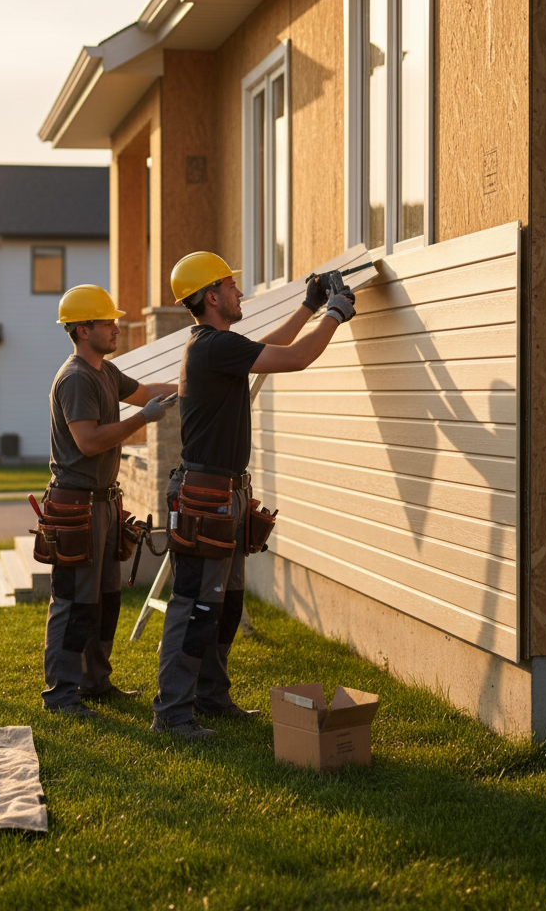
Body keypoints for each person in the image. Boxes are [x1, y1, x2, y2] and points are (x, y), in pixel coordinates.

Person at [151, 252, 355, 739]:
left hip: (223, 494)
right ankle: (173, 713)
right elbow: (297, 358)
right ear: (212, 296)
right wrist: (336, 311)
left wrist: (308, 307)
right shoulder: (210, 347)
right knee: (195, 605)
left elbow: (266, 347)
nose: (241, 293)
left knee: (224, 602)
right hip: (206, 498)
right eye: (232, 286)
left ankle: (211, 696)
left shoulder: (216, 347)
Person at [42, 283, 178, 718]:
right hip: (75, 504)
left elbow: (143, 391)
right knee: (74, 602)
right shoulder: (77, 378)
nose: (117, 328)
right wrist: (143, 419)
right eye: (108, 322)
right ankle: (62, 695)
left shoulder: (104, 371)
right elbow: (87, 441)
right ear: (83, 330)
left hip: (101, 503)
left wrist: (194, 385)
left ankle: (95, 682)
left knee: (104, 598)